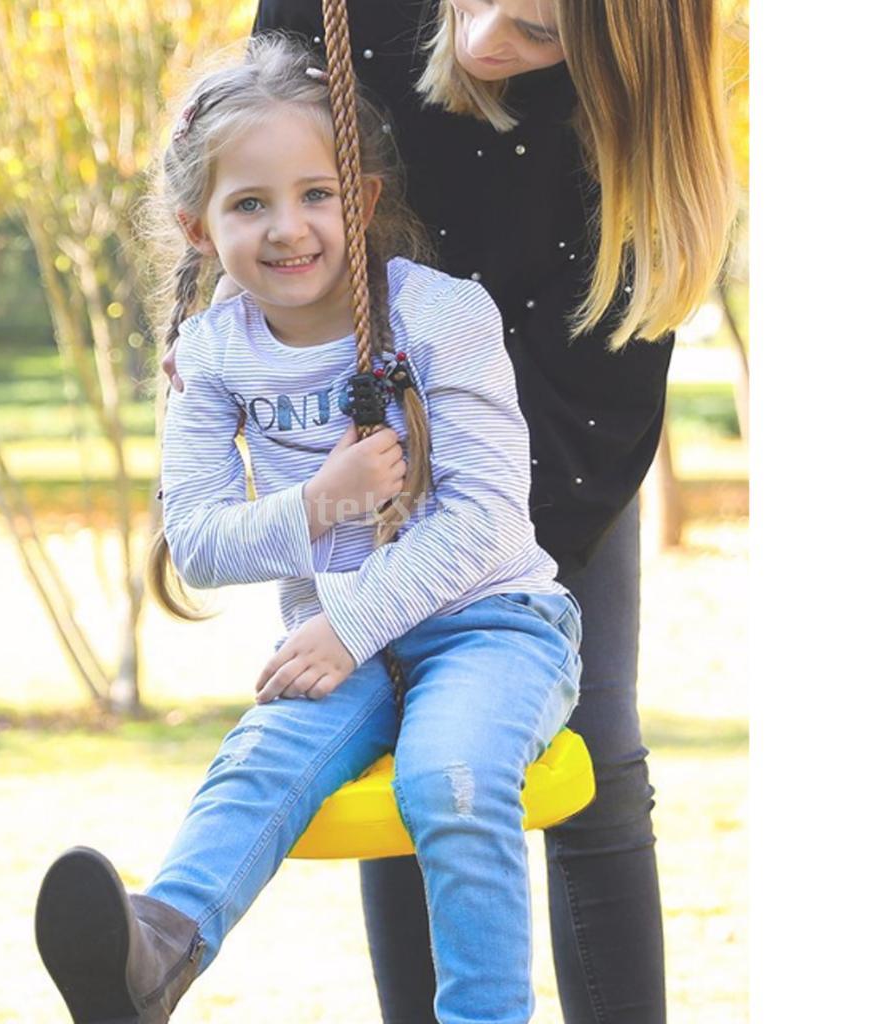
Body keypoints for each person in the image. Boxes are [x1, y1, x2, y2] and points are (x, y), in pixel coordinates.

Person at [162, 3, 737, 1022]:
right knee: (398, 757)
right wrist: (248, 335)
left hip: (553, 431)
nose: (483, 43)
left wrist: (439, 574)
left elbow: (587, 402)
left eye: (540, 35)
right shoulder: (340, 31)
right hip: (362, 405)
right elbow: (257, 135)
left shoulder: (633, 89)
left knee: (578, 751)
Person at [35, 32, 582, 1024]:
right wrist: (323, 501)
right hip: (343, 643)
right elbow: (198, 541)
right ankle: (153, 954)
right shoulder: (212, 356)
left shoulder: (441, 317)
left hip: (492, 625)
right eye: (249, 204)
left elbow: (488, 516)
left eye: (315, 194)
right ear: (199, 228)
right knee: (259, 762)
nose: (288, 228)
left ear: (359, 200)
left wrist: (351, 621)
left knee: (450, 779)